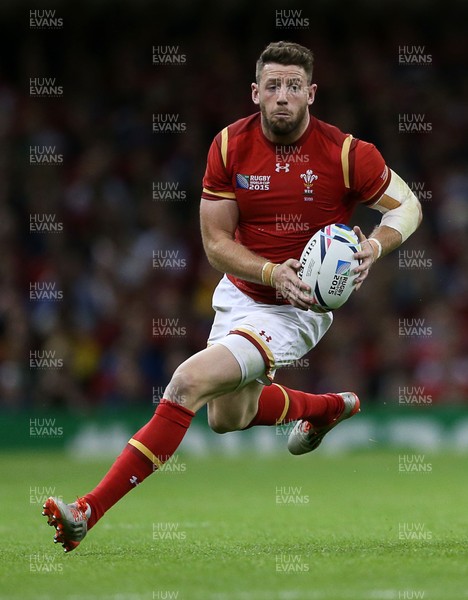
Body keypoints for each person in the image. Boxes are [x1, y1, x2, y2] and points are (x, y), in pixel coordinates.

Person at [42, 41, 422, 552]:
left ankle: (88, 509)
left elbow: (408, 207)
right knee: (227, 418)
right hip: (242, 293)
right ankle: (326, 408)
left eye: (293, 86)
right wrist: (268, 269)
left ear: (311, 93)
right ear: (256, 93)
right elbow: (215, 244)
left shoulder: (349, 154)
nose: (283, 96)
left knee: (186, 383)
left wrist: (375, 245)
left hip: (297, 309)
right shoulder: (228, 147)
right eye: (273, 86)